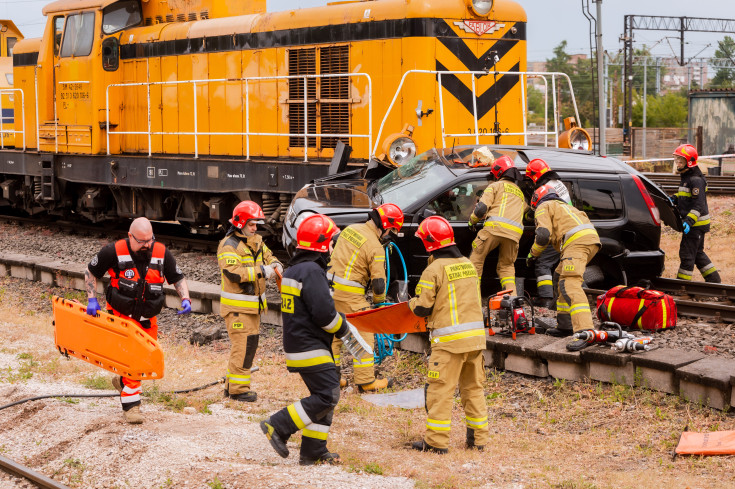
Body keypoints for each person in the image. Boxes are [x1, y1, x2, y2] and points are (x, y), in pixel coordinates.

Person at [261, 214, 362, 465]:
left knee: (323, 395)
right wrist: (345, 329)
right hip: (310, 346)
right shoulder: (312, 271)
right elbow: (325, 315)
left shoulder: (296, 269)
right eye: (331, 241)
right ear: (321, 244)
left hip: (302, 344)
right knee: (327, 395)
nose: (332, 247)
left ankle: (313, 451)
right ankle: (278, 425)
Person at [85, 217, 191, 424]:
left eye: (149, 240)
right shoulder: (112, 251)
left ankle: (124, 381)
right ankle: (132, 407)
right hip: (121, 315)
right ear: (130, 236)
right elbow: (91, 271)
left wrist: (185, 297)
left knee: (144, 359)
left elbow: (177, 277)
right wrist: (91, 299)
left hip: (147, 317)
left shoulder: (161, 252)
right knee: (134, 358)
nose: (147, 245)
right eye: (141, 241)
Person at [408, 215, 488, 454]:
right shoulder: (468, 265)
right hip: (475, 341)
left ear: (429, 243)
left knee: (440, 391)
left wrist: (409, 303)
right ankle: (478, 441)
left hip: (449, 344)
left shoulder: (433, 270)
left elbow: (422, 307)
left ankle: (436, 442)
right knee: (473, 390)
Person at [328, 202, 404, 391]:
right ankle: (366, 382)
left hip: (329, 290)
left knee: (334, 337)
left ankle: (331, 379)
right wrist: (378, 305)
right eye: (392, 230)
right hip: (351, 296)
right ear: (385, 226)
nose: (390, 235)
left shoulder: (350, 229)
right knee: (364, 337)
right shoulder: (375, 248)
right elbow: (379, 284)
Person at [217, 201, 283, 402]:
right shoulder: (228, 246)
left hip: (251, 308)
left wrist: (275, 264)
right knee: (244, 347)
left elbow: (268, 256)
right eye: (252, 224)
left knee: (246, 345)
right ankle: (238, 390)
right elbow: (233, 274)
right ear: (240, 223)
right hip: (238, 309)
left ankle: (232, 386)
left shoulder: (255, 241)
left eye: (256, 224)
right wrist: (263, 271)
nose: (256, 228)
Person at [525, 184, 601, 338]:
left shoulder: (543, 206)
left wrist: (533, 254)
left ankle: (586, 330)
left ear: (536, 200)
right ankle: (565, 325)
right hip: (590, 241)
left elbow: (543, 235)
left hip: (576, 242)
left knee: (570, 283)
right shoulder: (566, 207)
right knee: (559, 277)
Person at [468, 147, 526, 294]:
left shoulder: (495, 186)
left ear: (498, 173)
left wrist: (472, 222)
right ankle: (512, 299)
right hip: (514, 236)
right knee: (506, 267)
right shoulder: (520, 193)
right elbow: (526, 211)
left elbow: (481, 209)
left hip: (493, 229)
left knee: (476, 260)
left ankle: (472, 297)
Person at [525, 158, 573, 309]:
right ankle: (578, 292)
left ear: (534, 176)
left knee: (543, 264)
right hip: (569, 229)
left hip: (557, 231)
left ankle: (545, 299)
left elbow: (545, 211)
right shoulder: (558, 184)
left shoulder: (546, 188)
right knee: (567, 266)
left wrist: (528, 216)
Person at [671, 144, 721, 283]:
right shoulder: (687, 177)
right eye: (677, 160)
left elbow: (698, 205)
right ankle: (714, 281)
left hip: (695, 225)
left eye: (680, 161)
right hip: (696, 224)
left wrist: (688, 221)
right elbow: (685, 195)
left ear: (689, 162)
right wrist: (674, 198)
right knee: (698, 254)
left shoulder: (695, 180)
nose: (678, 164)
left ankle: (682, 286)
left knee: (687, 255)